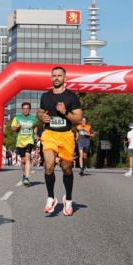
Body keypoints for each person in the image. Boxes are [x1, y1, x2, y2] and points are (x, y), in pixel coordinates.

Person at [38, 66, 83, 216]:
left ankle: (68, 199)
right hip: (49, 134)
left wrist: (65, 113)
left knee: (66, 168)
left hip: (66, 135)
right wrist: (41, 116)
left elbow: (78, 118)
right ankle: (51, 197)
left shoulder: (72, 97)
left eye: (59, 75)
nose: (56, 78)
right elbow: (41, 110)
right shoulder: (45, 96)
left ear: (65, 78)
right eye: (54, 75)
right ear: (51, 78)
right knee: (49, 165)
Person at [9, 101, 37, 186]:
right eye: (24, 108)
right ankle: (24, 174)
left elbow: (35, 126)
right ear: (22, 109)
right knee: (23, 160)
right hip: (20, 142)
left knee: (28, 157)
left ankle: (27, 178)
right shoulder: (17, 118)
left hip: (29, 140)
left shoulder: (33, 118)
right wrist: (16, 127)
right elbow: (12, 129)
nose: (25, 110)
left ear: (30, 109)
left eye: (27, 109)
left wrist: (35, 134)